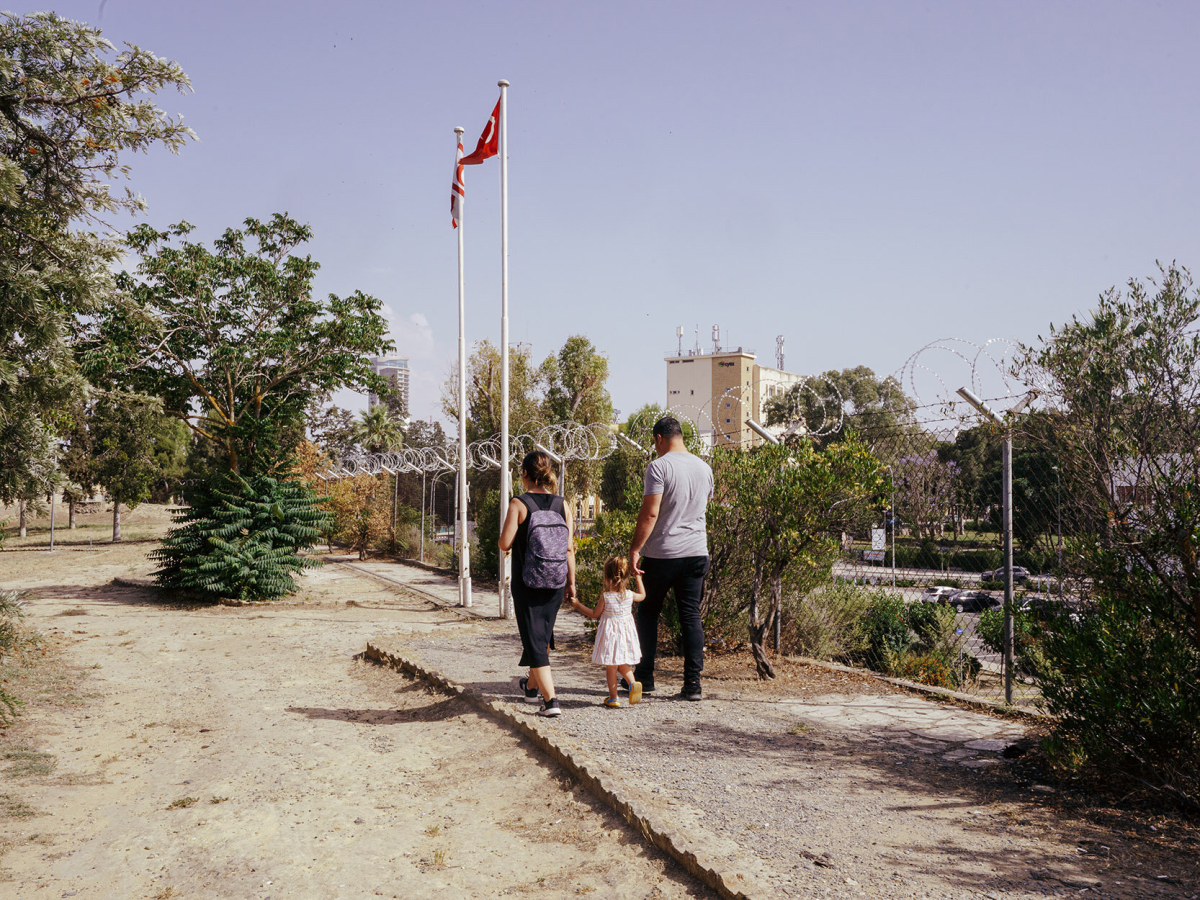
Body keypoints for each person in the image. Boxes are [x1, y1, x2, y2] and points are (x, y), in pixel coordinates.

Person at [629, 416, 714, 701]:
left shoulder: (659, 466)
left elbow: (651, 513)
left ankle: (645, 678)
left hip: (663, 553)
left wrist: (635, 549)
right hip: (696, 551)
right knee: (691, 616)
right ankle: (693, 685)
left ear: (659, 439)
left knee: (649, 613)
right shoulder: (705, 468)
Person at [498, 449, 575, 717]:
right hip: (556, 581)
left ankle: (551, 700)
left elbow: (505, 543)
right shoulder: (563, 505)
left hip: (528, 583)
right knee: (540, 639)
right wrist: (571, 583)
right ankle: (531, 689)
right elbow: (569, 549)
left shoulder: (519, 503)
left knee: (535, 639)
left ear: (525, 474)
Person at [569, 556, 645, 708]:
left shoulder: (606, 596)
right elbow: (643, 596)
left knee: (611, 666)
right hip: (626, 635)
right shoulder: (629, 595)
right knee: (622, 663)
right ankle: (632, 684)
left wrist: (578, 605)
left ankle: (613, 697)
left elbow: (594, 614)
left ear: (607, 578)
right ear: (625, 577)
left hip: (611, 637)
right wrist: (638, 577)